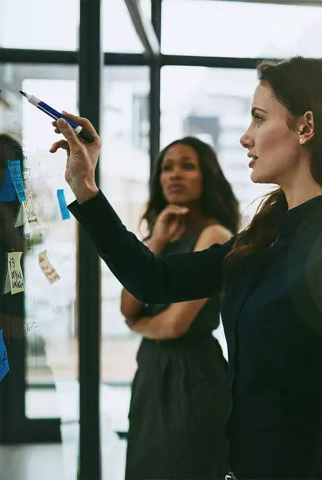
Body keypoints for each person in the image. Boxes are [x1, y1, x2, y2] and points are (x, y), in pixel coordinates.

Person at [50, 56, 322, 479]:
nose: (245, 138)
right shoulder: (268, 233)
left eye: (258, 119)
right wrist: (85, 187)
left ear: (306, 127)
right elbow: (155, 279)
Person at [120, 136, 239, 480]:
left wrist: (140, 326)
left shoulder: (214, 234)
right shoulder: (162, 233)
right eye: (167, 167)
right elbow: (128, 305)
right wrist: (155, 240)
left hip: (193, 373)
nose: (175, 175)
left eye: (187, 166)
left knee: (186, 466)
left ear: (207, 177)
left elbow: (174, 325)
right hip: (151, 369)